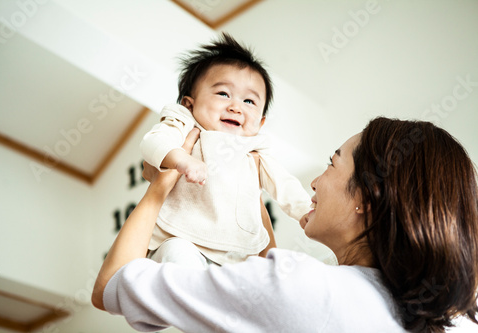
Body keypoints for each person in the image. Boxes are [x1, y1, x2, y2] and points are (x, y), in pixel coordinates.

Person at [92, 117, 478, 332]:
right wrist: (251, 204)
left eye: (332, 163)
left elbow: (111, 286)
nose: (314, 181)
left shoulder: (302, 288)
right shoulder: (446, 319)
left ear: (367, 197)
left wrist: (162, 185)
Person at [139, 33, 311, 266]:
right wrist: (181, 160)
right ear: (190, 105)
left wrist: (307, 212)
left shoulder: (254, 152)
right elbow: (152, 143)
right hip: (179, 237)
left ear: (260, 123)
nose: (236, 107)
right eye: (223, 94)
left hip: (235, 253)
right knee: (179, 256)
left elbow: (285, 186)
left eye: (249, 101)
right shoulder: (184, 124)